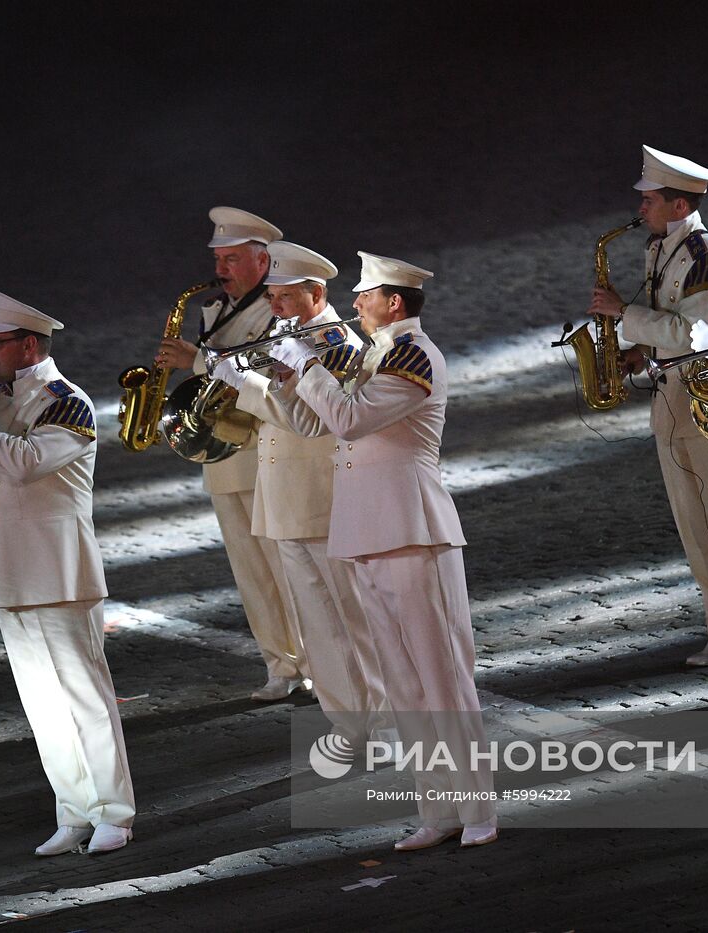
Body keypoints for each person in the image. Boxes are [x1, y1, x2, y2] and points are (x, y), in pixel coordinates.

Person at [268, 252, 496, 851]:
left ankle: (477, 810)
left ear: (394, 302)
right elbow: (317, 423)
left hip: (412, 527)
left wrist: (310, 369)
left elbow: (349, 419)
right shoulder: (379, 352)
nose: (354, 305)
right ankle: (437, 810)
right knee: (402, 681)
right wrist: (285, 377)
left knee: (441, 675)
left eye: (364, 295)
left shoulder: (413, 354)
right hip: (369, 529)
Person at [0, 290, 136, 856]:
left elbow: (25, 463)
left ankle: (114, 810)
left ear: (29, 344)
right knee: (41, 700)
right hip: (8, 568)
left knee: (85, 694)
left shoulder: (67, 402)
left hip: (57, 569)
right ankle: (73, 809)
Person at [588, 145, 708, 667]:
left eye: (650, 199)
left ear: (678, 206)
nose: (641, 208)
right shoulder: (657, 250)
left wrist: (624, 313)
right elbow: (664, 328)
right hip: (669, 399)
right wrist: (637, 353)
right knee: (692, 521)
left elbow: (698, 335)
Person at [208, 241, 389, 742]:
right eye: (272, 297)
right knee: (317, 624)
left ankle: (383, 721)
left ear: (316, 292)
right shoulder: (285, 333)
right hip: (285, 495)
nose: (275, 306)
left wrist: (245, 384)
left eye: (285, 297)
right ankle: (347, 723)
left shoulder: (333, 343)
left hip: (322, 497)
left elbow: (308, 422)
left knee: (352, 619)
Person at [156, 207, 308, 700]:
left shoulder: (275, 309)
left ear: (262, 262)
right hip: (222, 452)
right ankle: (279, 666)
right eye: (219, 259)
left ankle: (312, 661)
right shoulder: (213, 310)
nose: (222, 268)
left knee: (284, 564)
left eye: (233, 259)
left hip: (264, 447)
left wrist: (197, 359)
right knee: (250, 569)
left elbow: (260, 363)